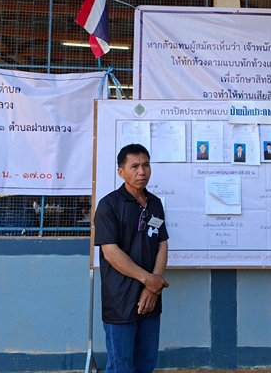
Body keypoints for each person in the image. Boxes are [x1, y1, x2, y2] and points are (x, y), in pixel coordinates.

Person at [94, 143, 170, 373]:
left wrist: (152, 287)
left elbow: (162, 244)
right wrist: (149, 280)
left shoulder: (155, 203)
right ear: (121, 172)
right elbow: (110, 252)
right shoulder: (109, 205)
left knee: (146, 362)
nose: (142, 172)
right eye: (134, 166)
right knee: (121, 364)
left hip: (150, 297)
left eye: (146, 165)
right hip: (120, 298)